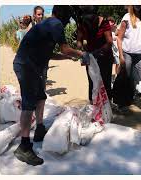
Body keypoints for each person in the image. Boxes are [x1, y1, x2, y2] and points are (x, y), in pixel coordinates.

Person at [13, 5, 88, 166]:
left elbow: (50, 54)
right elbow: (66, 48)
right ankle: (24, 146)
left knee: (41, 97)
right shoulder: (56, 24)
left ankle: (40, 128)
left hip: (33, 66)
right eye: (68, 19)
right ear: (64, 16)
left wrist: (68, 58)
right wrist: (81, 54)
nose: (68, 23)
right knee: (28, 104)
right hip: (26, 66)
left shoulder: (47, 25)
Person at [116, 5, 141, 113]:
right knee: (125, 78)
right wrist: (121, 56)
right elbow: (119, 37)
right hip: (128, 54)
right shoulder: (126, 18)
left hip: (139, 55)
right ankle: (122, 104)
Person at [77, 10, 114, 103]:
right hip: (90, 56)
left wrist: (98, 51)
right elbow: (79, 41)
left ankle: (107, 105)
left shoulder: (104, 22)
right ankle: (93, 104)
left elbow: (109, 42)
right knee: (92, 81)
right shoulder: (82, 23)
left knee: (105, 81)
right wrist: (81, 50)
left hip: (105, 56)